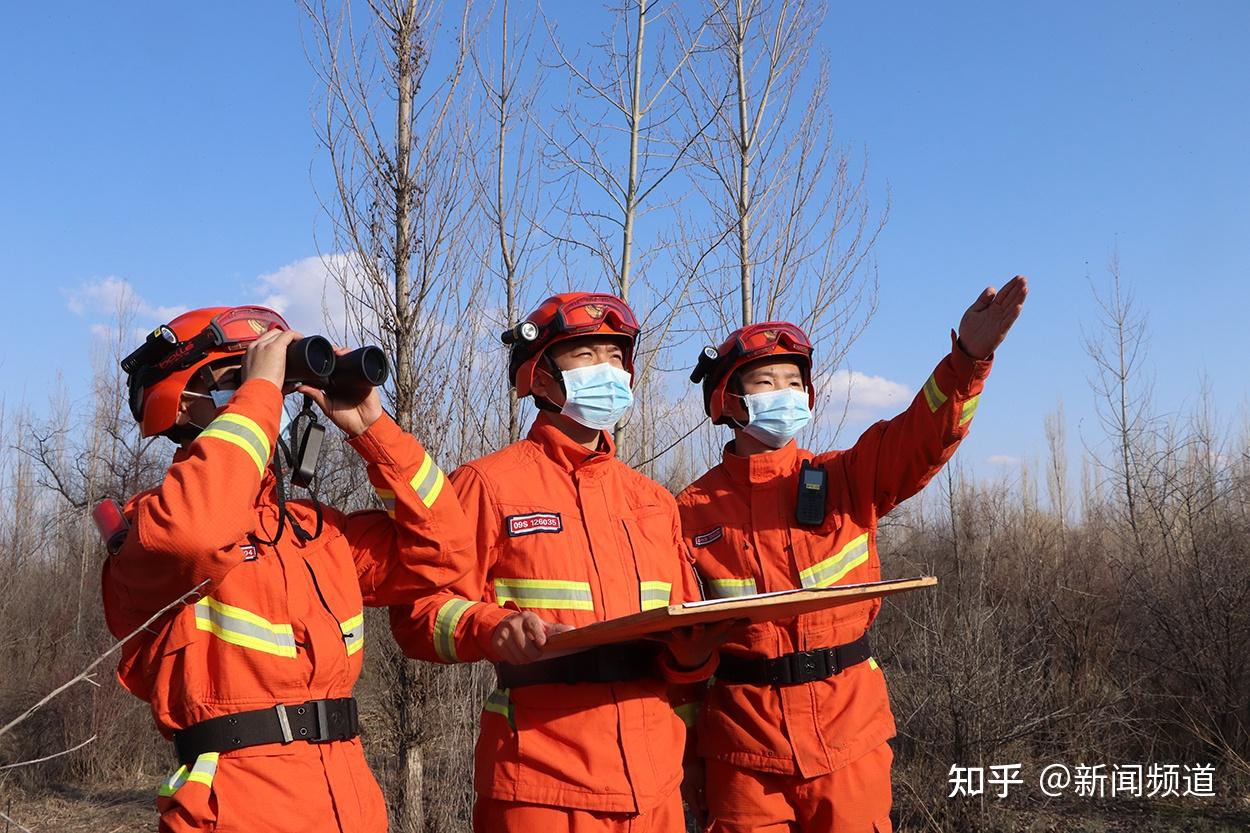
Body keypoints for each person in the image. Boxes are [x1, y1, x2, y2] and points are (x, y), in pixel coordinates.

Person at [676, 277, 1029, 832]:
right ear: (728, 400)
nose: (785, 393)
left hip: (849, 739)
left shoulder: (846, 478)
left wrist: (967, 360)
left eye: (794, 382)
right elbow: (679, 654)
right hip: (742, 752)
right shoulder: (689, 512)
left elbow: (920, 437)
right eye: (766, 381)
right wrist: (688, 758)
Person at [102, 305, 471, 833]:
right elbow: (199, 533)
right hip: (237, 810)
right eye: (237, 378)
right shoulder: (151, 528)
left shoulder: (314, 530)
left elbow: (445, 551)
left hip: (351, 804)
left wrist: (372, 429)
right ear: (182, 404)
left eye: (273, 378)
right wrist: (259, 393)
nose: (268, 390)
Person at [389, 292, 725, 832]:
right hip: (540, 784)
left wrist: (693, 664)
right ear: (540, 378)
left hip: (655, 789)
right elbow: (418, 613)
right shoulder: (487, 485)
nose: (607, 370)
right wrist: (492, 628)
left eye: (616, 357)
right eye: (586, 355)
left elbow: (686, 637)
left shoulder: (653, 502)